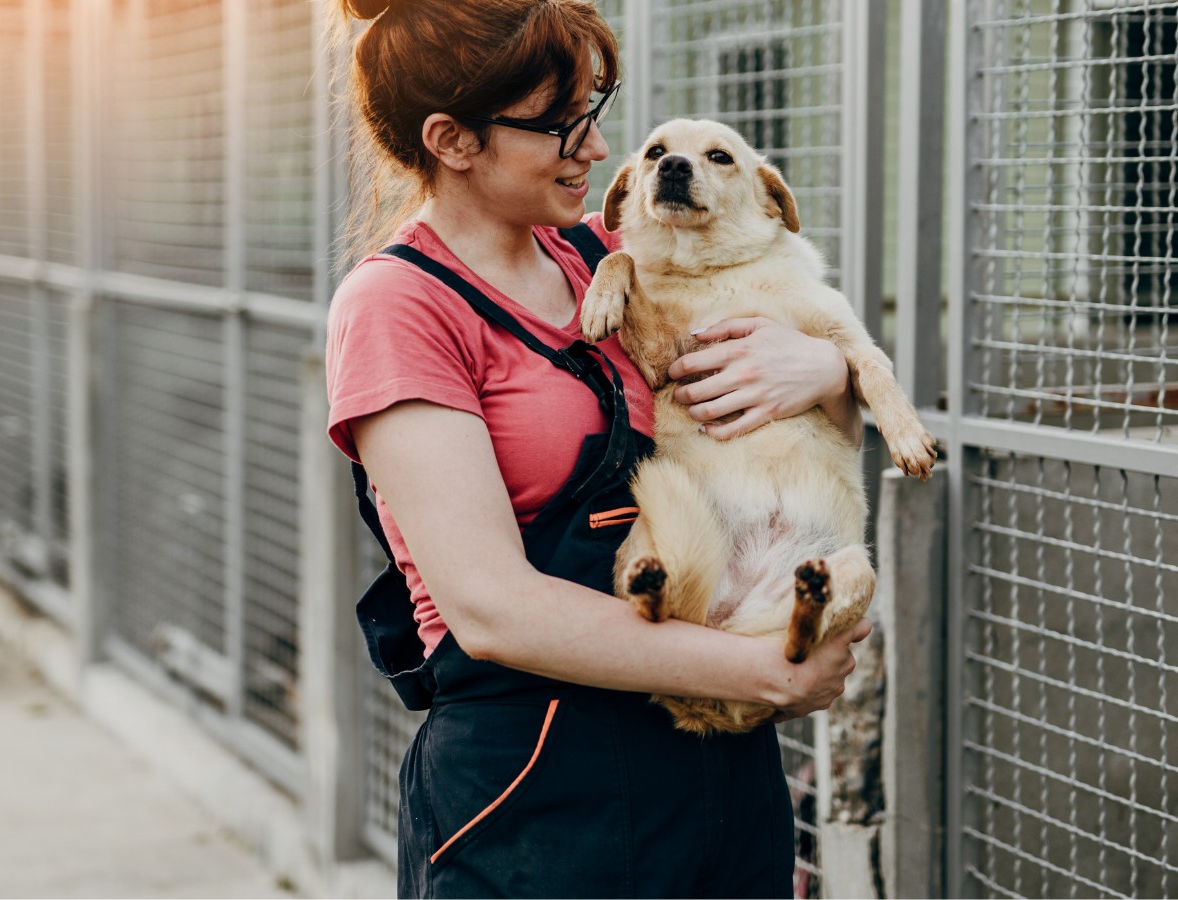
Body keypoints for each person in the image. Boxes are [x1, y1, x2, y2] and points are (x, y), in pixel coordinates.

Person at [325, 1, 872, 896]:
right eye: (558, 123)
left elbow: (810, 437)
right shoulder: (399, 307)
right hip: (539, 779)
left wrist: (827, 370)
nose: (595, 145)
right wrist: (766, 672)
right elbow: (493, 610)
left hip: (716, 760)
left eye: (595, 107)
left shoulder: (611, 256)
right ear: (452, 140)